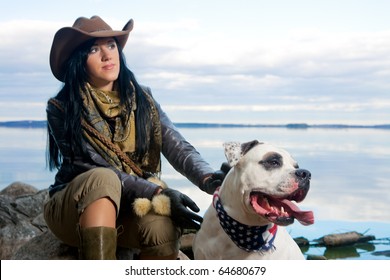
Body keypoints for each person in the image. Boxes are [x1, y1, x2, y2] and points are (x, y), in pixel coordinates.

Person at [44, 15, 227, 260]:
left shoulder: (143, 99)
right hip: (75, 208)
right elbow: (91, 165)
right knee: (103, 178)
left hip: (130, 203)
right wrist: (157, 193)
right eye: (94, 49)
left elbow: (176, 145)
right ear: (79, 61)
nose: (107, 55)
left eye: (111, 45)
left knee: (162, 228)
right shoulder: (62, 107)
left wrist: (209, 178)